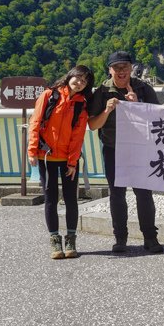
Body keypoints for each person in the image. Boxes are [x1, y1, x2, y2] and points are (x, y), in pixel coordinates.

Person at [88, 51, 163, 253]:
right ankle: (120, 238)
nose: (121, 71)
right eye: (117, 68)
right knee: (117, 194)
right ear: (109, 70)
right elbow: (93, 125)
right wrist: (107, 110)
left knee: (144, 193)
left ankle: (150, 237)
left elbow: (158, 120)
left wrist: (137, 105)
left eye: (125, 67)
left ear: (131, 68)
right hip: (113, 148)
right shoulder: (102, 91)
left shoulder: (143, 88)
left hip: (139, 148)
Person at [28, 65, 94, 259]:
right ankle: (55, 241)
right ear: (70, 76)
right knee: (51, 199)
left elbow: (78, 136)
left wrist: (73, 162)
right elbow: (35, 122)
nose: (79, 83)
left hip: (67, 159)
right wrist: (32, 150)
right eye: (78, 78)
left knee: (71, 199)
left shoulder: (81, 104)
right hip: (46, 156)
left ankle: (71, 241)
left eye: (84, 81)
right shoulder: (50, 95)